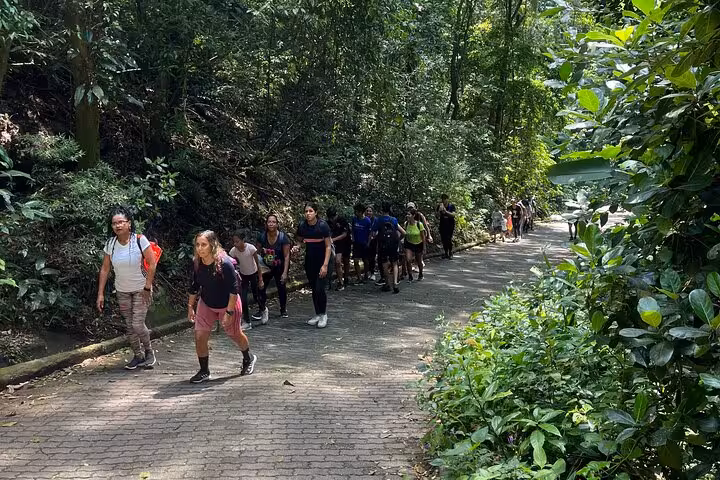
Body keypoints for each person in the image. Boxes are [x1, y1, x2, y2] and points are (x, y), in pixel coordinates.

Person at [187, 230, 257, 383]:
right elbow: (194, 286)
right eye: (197, 245)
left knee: (234, 334)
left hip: (228, 304)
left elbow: (234, 290)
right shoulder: (197, 262)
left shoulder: (224, 263)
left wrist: (229, 312)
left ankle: (248, 358)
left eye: (203, 245)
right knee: (199, 336)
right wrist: (190, 306)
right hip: (207, 302)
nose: (200, 248)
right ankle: (204, 371)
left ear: (212, 245)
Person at [97, 206, 158, 370]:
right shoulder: (110, 244)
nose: (117, 226)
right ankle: (138, 356)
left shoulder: (140, 240)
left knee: (138, 325)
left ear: (129, 224)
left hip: (141, 290)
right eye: (114, 223)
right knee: (130, 326)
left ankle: (149, 352)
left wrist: (147, 287)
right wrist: (100, 294)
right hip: (122, 290)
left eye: (121, 222)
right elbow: (105, 269)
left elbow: (152, 264)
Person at [294, 203, 332, 328]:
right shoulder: (302, 226)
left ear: (316, 212)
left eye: (311, 211)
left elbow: (328, 246)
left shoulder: (322, 226)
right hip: (310, 261)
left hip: (323, 260)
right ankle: (317, 314)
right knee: (314, 289)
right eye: (306, 211)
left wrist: (325, 265)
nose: (308, 213)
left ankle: (323, 314)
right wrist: (297, 247)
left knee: (320, 288)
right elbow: (299, 240)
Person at [255, 214, 291, 319]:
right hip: (266, 266)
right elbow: (256, 253)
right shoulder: (262, 236)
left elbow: (287, 255)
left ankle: (283, 309)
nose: (271, 224)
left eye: (273, 222)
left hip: (279, 265)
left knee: (281, 287)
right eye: (269, 222)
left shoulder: (283, 237)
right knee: (261, 287)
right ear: (266, 224)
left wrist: (285, 273)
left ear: (277, 224)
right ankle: (261, 309)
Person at [229, 231, 264, 329]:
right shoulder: (233, 251)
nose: (235, 244)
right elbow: (231, 263)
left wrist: (260, 279)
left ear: (243, 240)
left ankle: (263, 309)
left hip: (253, 273)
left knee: (256, 296)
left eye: (237, 241)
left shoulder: (251, 248)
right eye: (234, 242)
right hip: (243, 275)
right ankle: (247, 321)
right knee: (243, 298)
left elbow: (258, 264)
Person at [373, 202, 406, 294]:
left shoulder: (378, 220)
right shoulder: (394, 220)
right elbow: (404, 233)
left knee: (384, 263)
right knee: (394, 263)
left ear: (382, 209)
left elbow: (373, 234)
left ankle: (387, 283)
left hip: (383, 245)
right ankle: (395, 283)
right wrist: (398, 240)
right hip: (393, 245)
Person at [327, 207, 351, 291]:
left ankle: (346, 278)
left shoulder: (342, 220)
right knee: (337, 262)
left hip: (345, 242)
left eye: (333, 217)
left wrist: (333, 239)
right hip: (336, 244)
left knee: (346, 260)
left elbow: (344, 234)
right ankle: (341, 282)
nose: (331, 219)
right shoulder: (328, 223)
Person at [351, 203, 372, 284]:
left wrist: (368, 242)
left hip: (364, 243)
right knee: (356, 260)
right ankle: (359, 277)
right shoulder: (354, 219)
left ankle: (366, 274)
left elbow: (370, 233)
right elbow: (352, 229)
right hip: (356, 243)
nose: (355, 213)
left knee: (365, 260)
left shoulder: (367, 221)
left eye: (357, 211)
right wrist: (352, 237)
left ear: (361, 212)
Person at [403, 211, 426, 282]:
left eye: (409, 214)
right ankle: (410, 276)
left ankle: (421, 274)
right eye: (407, 214)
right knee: (408, 260)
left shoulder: (419, 224)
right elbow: (404, 233)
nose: (407, 216)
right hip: (409, 243)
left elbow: (423, 237)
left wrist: (424, 247)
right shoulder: (406, 224)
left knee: (418, 260)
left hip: (418, 243)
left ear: (413, 215)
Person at [437, 194, 456, 258]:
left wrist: (445, 212)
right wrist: (439, 211)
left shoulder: (451, 206)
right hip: (442, 224)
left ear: (447, 199)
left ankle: (450, 252)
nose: (444, 200)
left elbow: (453, 215)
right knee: (443, 239)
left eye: (445, 199)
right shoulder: (440, 206)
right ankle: (446, 253)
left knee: (448, 238)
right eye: (442, 199)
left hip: (450, 224)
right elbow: (437, 216)